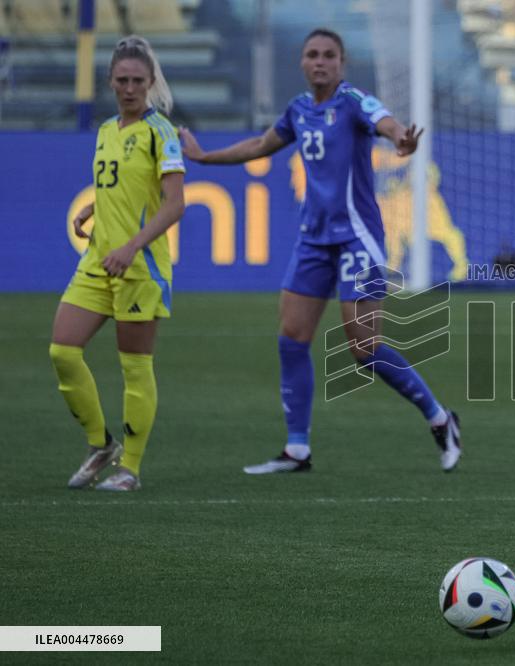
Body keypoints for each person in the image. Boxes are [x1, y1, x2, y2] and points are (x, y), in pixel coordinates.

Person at [179, 28, 461, 474]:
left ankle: (441, 418)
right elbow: (259, 145)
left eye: (329, 55)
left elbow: (384, 120)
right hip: (314, 239)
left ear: (342, 63)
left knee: (363, 347)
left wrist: (398, 138)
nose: (320, 62)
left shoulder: (352, 101)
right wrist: (205, 158)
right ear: (303, 63)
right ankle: (296, 449)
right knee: (291, 339)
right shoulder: (298, 110)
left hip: (358, 238)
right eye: (312, 55)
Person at [50, 35, 186, 491]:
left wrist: (130, 246)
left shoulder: (160, 132)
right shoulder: (107, 130)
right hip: (97, 260)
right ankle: (99, 444)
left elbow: (173, 205)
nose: (129, 88)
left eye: (138, 81)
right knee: (63, 351)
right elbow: (119, 188)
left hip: (139, 265)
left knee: (134, 366)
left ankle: (129, 466)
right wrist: (94, 209)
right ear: (110, 81)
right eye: (122, 80)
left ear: (150, 83)